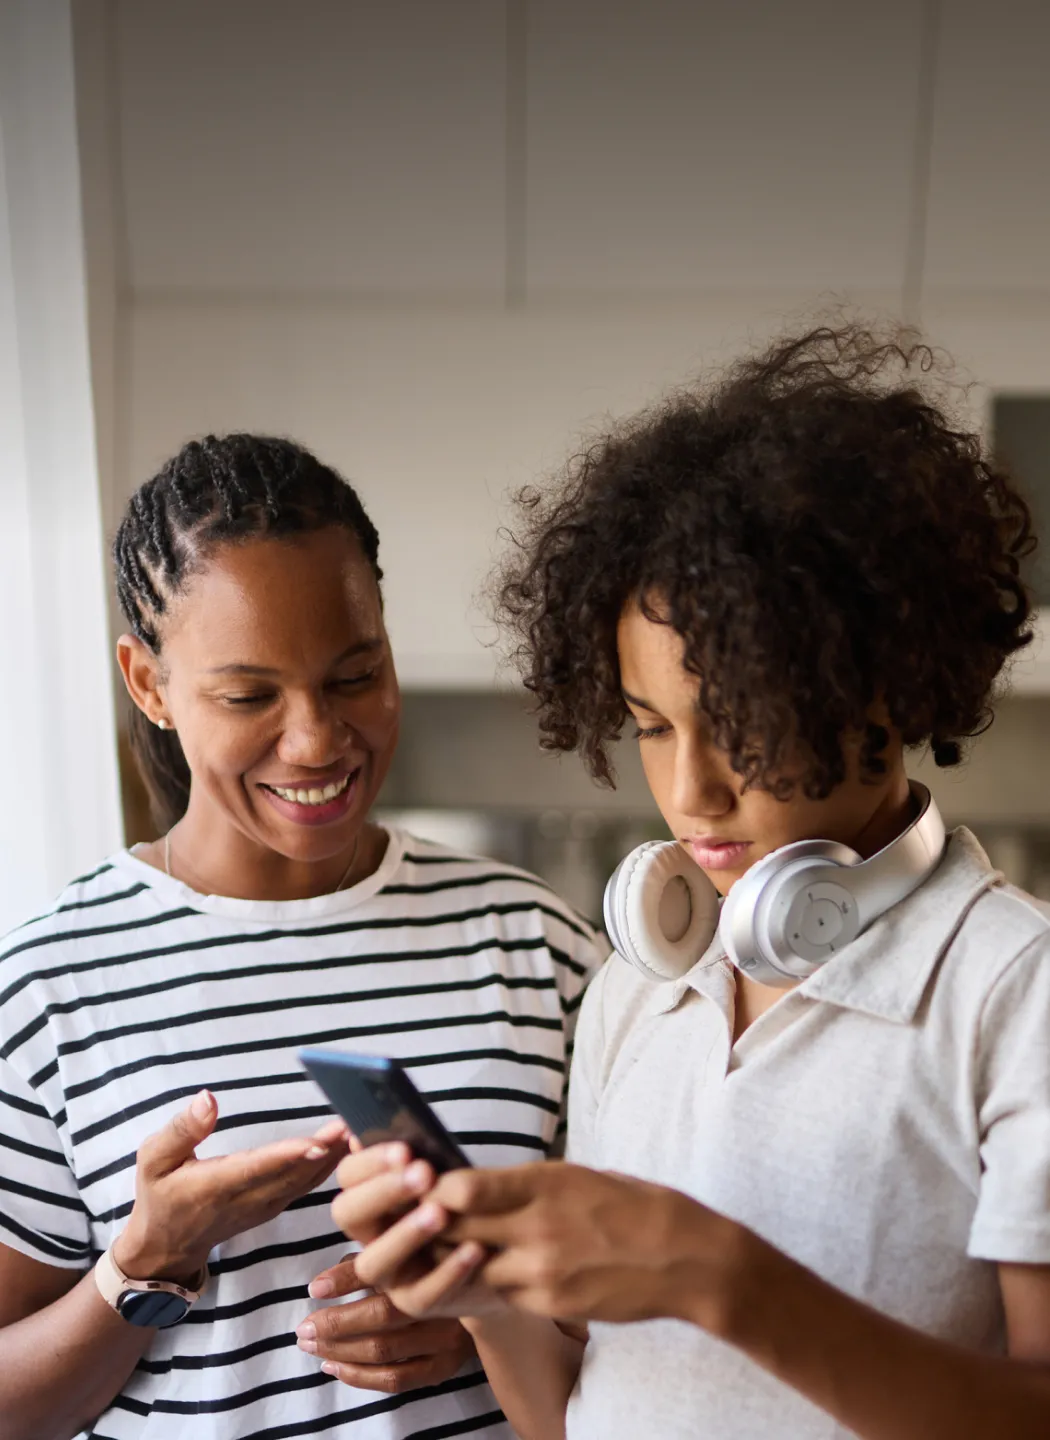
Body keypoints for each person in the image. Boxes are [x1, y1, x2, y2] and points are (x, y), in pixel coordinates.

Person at [330, 326, 1050, 1439]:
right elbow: (575, 1417)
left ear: (890, 687)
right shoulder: (639, 991)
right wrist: (483, 1303)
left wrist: (722, 1278)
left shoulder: (1016, 989)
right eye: (652, 727)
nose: (691, 793)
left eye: (743, 725)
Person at [0, 434, 598, 1440]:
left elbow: (655, 1326)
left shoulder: (536, 946)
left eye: (354, 676)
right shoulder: (48, 984)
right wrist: (143, 1267)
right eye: (248, 696)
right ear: (148, 685)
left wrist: (481, 1329)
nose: (317, 739)